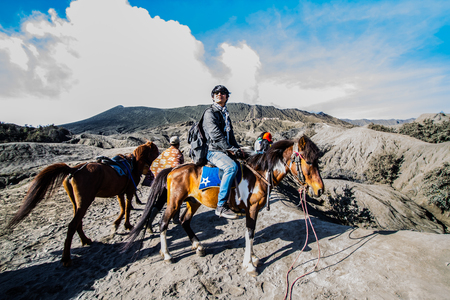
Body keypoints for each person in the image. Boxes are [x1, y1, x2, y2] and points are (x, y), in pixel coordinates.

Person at [203, 85, 244, 219]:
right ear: (213, 96)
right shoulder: (210, 113)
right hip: (213, 151)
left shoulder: (225, 114)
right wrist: (230, 149)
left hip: (224, 150)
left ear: (227, 97)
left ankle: (236, 203)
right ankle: (221, 206)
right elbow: (215, 135)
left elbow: (230, 136)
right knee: (231, 168)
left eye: (223, 92)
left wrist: (238, 149)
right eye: (216, 92)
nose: (219, 94)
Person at [146, 136, 184, 230]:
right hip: (170, 181)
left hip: (161, 181)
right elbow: (179, 169)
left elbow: (155, 164)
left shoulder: (164, 152)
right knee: (177, 198)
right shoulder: (178, 153)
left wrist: (156, 177)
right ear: (178, 144)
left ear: (170, 144)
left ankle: (149, 222)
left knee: (160, 201)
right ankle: (175, 219)